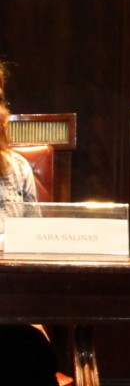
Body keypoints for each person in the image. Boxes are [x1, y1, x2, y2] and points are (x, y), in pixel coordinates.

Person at [0, 61, 59, 385]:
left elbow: (36, 254)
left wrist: (31, 314)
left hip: (11, 310)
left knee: (30, 348)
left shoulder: (17, 169)